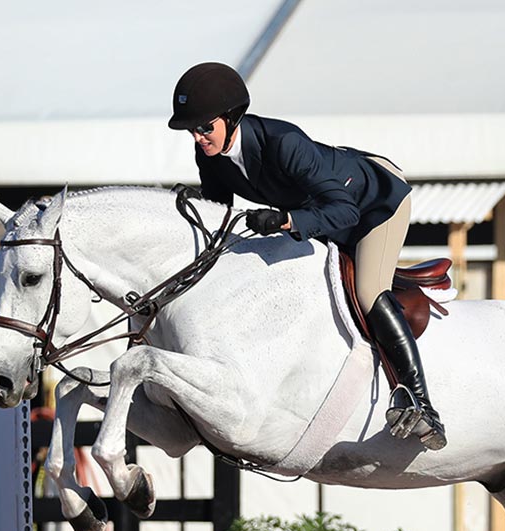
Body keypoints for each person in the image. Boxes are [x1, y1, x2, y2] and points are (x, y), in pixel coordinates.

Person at [167, 62, 446, 451]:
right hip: (325, 215)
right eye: (192, 131)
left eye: (204, 127)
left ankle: (420, 403)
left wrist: (285, 220)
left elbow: (346, 211)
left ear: (231, 118)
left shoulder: (284, 143)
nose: (198, 138)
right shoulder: (211, 156)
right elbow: (218, 217)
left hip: (375, 203)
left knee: (368, 291)